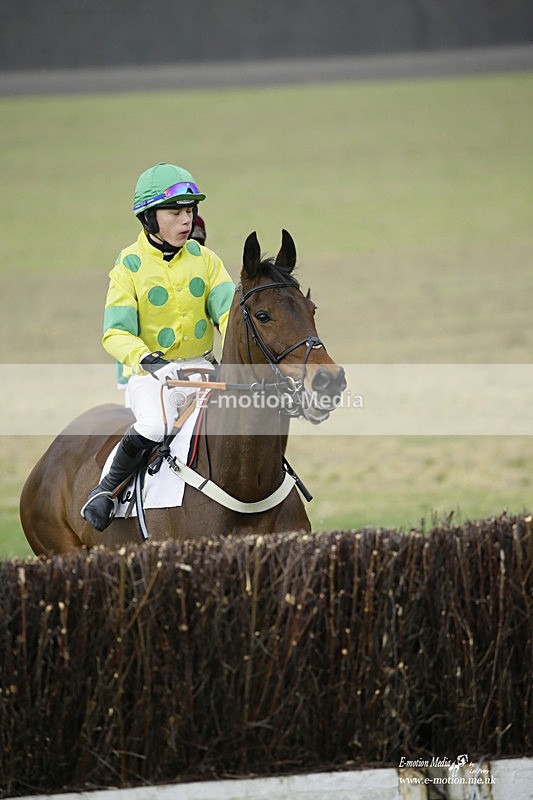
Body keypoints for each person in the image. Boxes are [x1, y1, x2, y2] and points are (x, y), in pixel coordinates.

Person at [81, 162, 235, 531]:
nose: (187, 220)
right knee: (153, 425)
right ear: (149, 218)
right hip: (149, 374)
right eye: (175, 212)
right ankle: (104, 492)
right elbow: (115, 334)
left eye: (190, 210)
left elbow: (229, 314)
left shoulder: (207, 260)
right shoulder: (128, 267)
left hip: (204, 368)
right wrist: (149, 360)